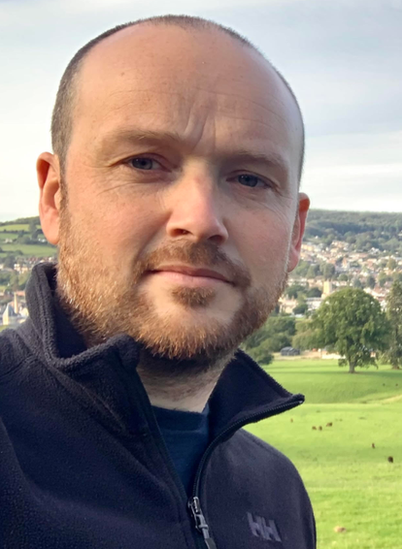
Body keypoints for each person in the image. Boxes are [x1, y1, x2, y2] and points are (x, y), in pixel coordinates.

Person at [0, 15, 315, 548]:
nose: (201, 218)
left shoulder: (277, 492)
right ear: (56, 197)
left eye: (249, 178)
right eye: (144, 162)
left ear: (295, 232)